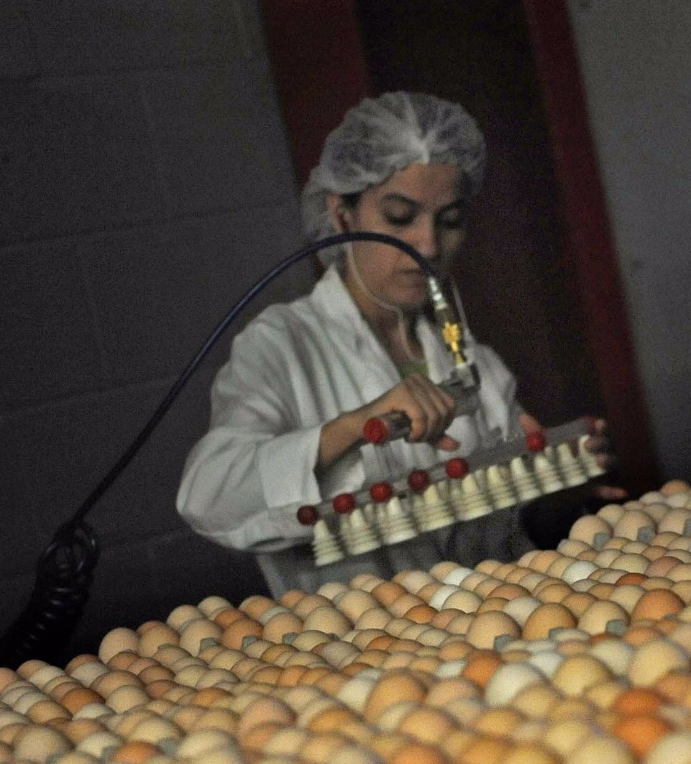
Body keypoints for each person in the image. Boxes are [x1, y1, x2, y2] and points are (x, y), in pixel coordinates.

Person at [178, 91, 616, 596]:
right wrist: (355, 426)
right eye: (400, 217)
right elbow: (207, 496)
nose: (428, 246)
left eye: (449, 221)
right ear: (341, 215)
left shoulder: (473, 362)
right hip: (361, 651)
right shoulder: (281, 347)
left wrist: (555, 490)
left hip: (494, 630)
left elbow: (507, 533)